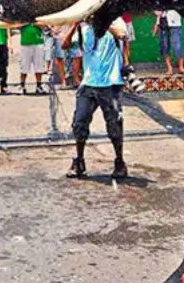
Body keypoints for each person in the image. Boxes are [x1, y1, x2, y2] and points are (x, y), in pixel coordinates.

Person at [63, 17, 130, 180]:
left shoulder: (116, 22)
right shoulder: (85, 30)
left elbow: (122, 35)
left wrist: (104, 23)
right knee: (79, 122)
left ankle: (120, 162)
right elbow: (64, 45)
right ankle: (79, 161)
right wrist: (75, 24)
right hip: (89, 84)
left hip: (111, 84)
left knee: (114, 125)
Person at [17, 23, 49, 95]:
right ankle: (22, 86)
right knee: (24, 65)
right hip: (25, 43)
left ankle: (39, 86)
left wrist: (38, 24)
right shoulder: (23, 17)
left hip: (38, 42)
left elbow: (45, 26)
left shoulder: (38, 15)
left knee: (39, 66)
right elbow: (17, 26)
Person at [155, 10, 184, 75]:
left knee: (177, 45)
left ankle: (181, 67)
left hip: (175, 22)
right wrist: (157, 24)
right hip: (162, 22)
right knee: (164, 45)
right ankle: (169, 68)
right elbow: (157, 11)